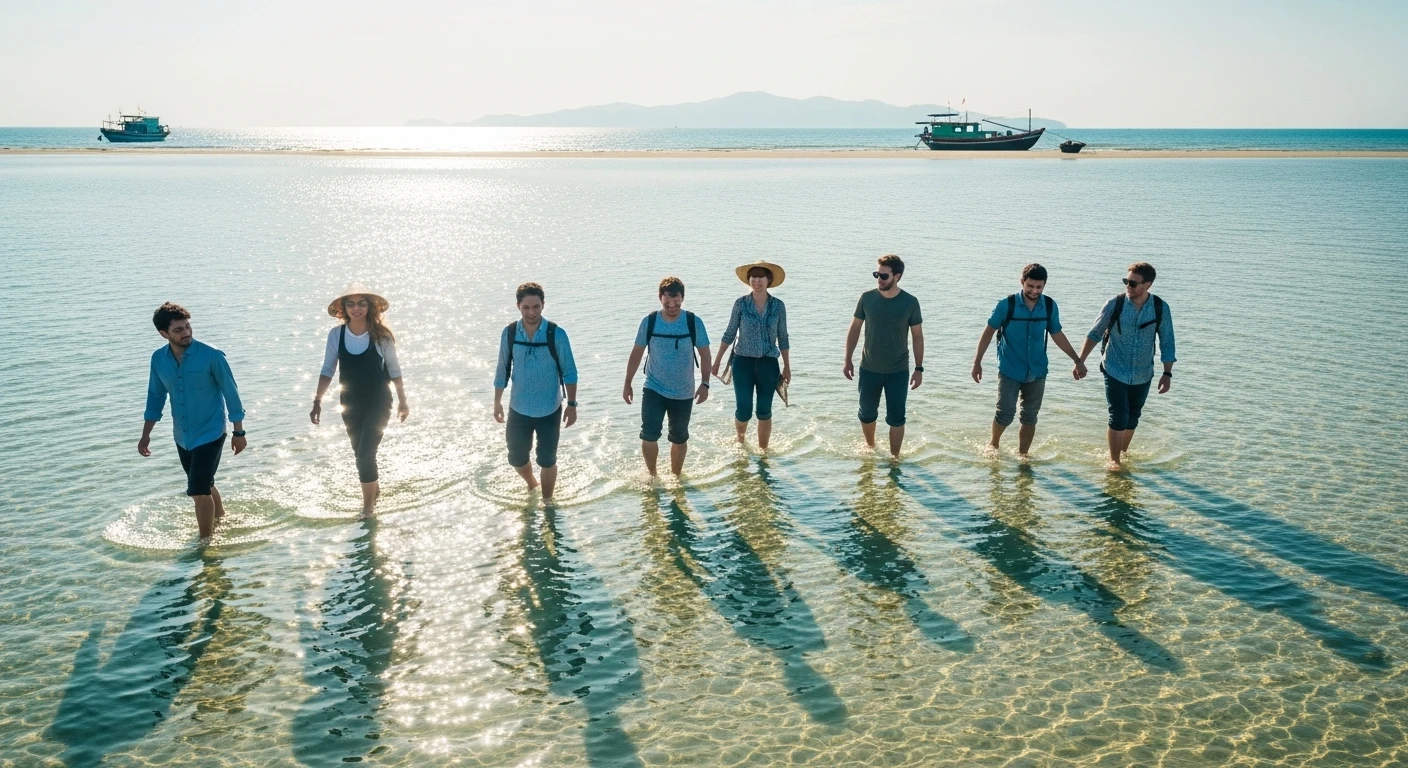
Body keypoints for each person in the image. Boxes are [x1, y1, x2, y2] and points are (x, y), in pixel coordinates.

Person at [138, 302, 247, 542]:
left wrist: (239, 433)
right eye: (178, 330)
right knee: (204, 484)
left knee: (197, 490)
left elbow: (231, 393)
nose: (186, 332)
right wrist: (146, 434)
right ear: (163, 333)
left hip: (211, 432)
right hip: (183, 436)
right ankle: (221, 519)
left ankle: (205, 542)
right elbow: (155, 397)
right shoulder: (158, 360)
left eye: (187, 326)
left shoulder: (211, 356)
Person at [309, 285, 409, 517]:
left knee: (365, 455)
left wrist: (403, 401)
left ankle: (367, 510)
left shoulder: (381, 336)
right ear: (343, 308)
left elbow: (394, 369)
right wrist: (317, 401)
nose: (356, 308)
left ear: (370, 306)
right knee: (360, 454)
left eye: (361, 303)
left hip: (379, 401)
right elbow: (328, 368)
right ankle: (374, 491)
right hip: (350, 403)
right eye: (350, 304)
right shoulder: (337, 335)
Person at [971, 263, 1087, 458]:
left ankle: (1023, 456)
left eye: (1039, 287)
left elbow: (1057, 334)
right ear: (1022, 282)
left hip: (1038, 371)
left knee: (1030, 417)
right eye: (1030, 286)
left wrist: (1077, 360)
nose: (1034, 291)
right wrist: (977, 362)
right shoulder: (1006, 305)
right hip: (1010, 369)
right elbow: (988, 332)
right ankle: (994, 444)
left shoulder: (1049, 306)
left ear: (1044, 286)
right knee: (1005, 414)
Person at [1076, 261, 1176, 470]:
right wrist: (1080, 361)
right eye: (1126, 281)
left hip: (1143, 372)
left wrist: (1167, 373)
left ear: (1147, 285)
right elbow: (1095, 333)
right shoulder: (1115, 304)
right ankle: (1114, 462)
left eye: (1133, 283)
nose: (1128, 286)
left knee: (1133, 417)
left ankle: (1122, 452)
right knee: (1118, 414)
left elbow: (1167, 342)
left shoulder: (1159, 308)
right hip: (1114, 368)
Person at [494, 282, 579, 501]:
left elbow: (569, 372)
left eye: (536, 307)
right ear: (518, 306)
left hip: (549, 408)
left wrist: (572, 405)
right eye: (526, 308)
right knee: (516, 458)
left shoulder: (556, 334)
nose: (531, 312)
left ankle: (547, 502)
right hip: (518, 408)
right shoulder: (510, 333)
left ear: (543, 305)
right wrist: (497, 402)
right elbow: (502, 369)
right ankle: (532, 483)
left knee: (547, 459)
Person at [623, 276, 713, 476]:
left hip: (683, 391)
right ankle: (653, 475)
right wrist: (627, 383)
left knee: (679, 437)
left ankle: (676, 476)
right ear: (660, 299)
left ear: (683, 297)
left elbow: (705, 354)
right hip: (654, 387)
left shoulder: (693, 322)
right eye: (667, 303)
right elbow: (636, 353)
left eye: (676, 302)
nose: (672, 306)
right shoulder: (650, 322)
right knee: (649, 435)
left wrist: (705, 383)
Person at [843, 254, 924, 459]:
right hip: (869, 368)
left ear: (897, 276)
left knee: (897, 418)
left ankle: (894, 459)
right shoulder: (867, 298)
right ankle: (870, 448)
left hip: (898, 371)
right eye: (876, 274)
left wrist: (919, 368)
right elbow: (854, 329)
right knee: (867, 414)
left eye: (884, 275)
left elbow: (917, 336)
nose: (879, 279)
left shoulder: (910, 302)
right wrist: (847, 359)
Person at [713, 260, 791, 450]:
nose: (757, 281)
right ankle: (740, 442)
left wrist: (787, 366)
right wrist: (717, 361)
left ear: (768, 280)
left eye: (761, 277)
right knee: (744, 410)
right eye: (753, 277)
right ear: (749, 280)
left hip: (769, 364)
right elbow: (729, 333)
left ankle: (763, 452)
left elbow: (783, 337)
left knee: (764, 411)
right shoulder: (740, 304)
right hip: (743, 364)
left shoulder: (778, 306)